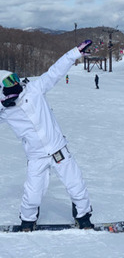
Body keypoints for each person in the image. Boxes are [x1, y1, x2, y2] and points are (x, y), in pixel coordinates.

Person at [0, 40, 94, 232]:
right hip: (36, 156)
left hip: (59, 149)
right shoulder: (5, 111)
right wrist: (3, 105)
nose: (15, 84)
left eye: (14, 79)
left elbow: (55, 71)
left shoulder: (34, 89)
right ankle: (28, 221)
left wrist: (75, 52)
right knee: (33, 194)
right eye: (9, 83)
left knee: (76, 186)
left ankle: (83, 217)